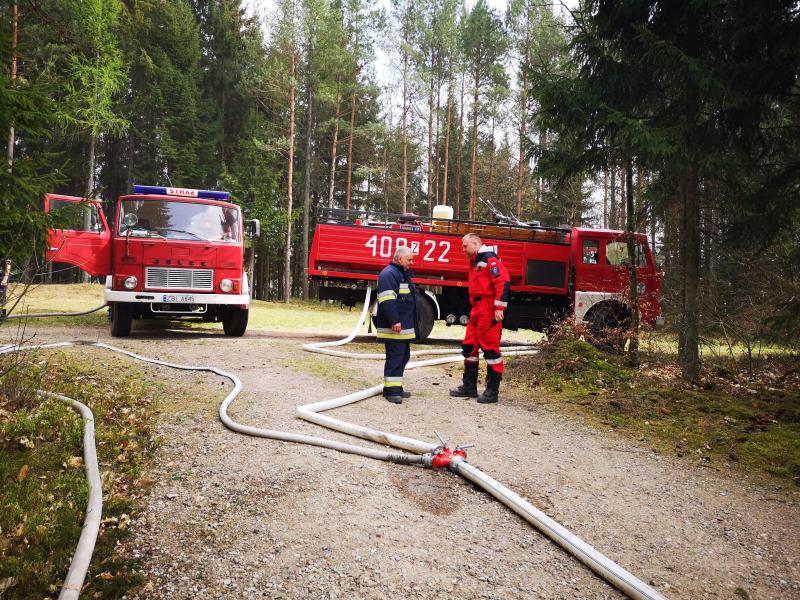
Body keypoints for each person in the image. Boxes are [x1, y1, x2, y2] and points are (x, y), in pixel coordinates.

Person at [450, 233, 510, 404]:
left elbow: (502, 281)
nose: (463, 249)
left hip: (488, 308)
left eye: (465, 246)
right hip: (477, 308)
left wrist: (499, 308)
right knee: (469, 346)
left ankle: (492, 391)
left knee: (491, 349)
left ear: (476, 244)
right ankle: (469, 387)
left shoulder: (489, 259)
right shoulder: (476, 260)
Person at [375, 246, 417, 404]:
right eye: (409, 260)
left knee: (402, 357)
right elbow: (387, 300)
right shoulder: (389, 274)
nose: (412, 263)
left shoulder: (400, 274)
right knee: (395, 358)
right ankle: (391, 392)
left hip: (402, 327)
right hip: (394, 327)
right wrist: (394, 320)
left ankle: (395, 387)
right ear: (399, 259)